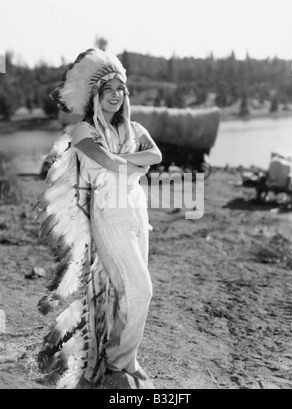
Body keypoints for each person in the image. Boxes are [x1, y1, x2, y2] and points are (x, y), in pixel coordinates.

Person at [34, 48, 162, 388]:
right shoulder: (82, 131)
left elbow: (157, 155)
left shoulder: (134, 127)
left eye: (121, 90)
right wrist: (136, 164)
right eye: (109, 91)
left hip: (137, 206)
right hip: (109, 211)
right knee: (141, 289)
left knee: (129, 290)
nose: (116, 96)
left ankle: (126, 359)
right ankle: (117, 361)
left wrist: (129, 160)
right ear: (95, 96)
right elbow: (106, 161)